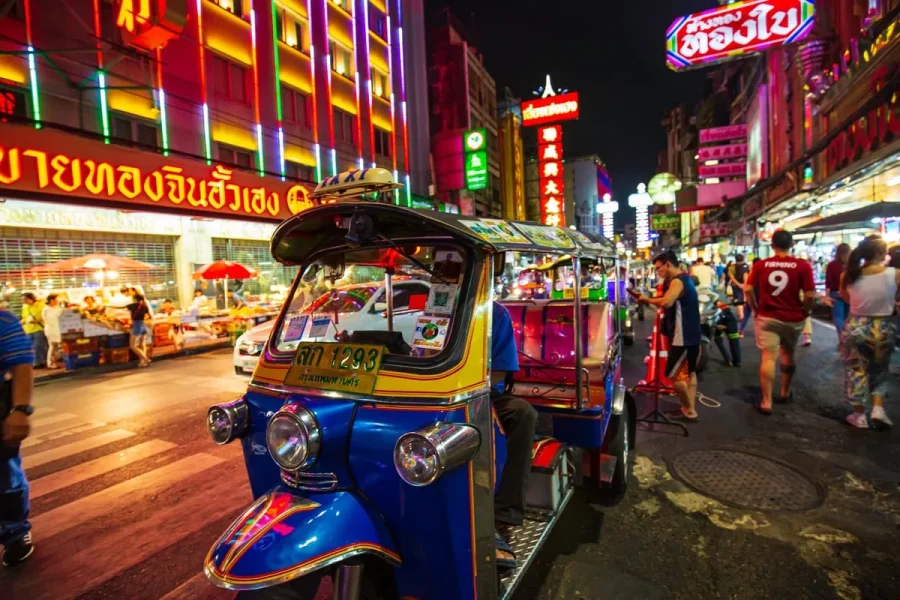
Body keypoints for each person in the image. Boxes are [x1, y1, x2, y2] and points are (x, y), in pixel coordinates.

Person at [746, 230, 815, 415]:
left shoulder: (761, 265)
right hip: (793, 318)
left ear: (772, 246)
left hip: (768, 317)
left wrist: (754, 308)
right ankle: (784, 392)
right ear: (791, 245)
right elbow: (809, 295)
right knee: (788, 353)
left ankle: (767, 401)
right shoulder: (802, 266)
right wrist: (806, 311)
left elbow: (748, 289)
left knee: (768, 357)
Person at [490, 301, 537, 571]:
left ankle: (503, 516)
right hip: (432, 391)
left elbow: (498, 372)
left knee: (523, 414)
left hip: (481, 392)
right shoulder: (431, 306)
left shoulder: (495, 313)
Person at [839, 235, 897, 430]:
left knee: (855, 370)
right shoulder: (894, 274)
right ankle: (878, 409)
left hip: (856, 325)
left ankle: (859, 415)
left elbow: (845, 299)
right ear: (881, 254)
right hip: (884, 327)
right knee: (880, 370)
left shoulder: (849, 274)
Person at [636, 251, 702, 421]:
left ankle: (689, 409)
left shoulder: (678, 281)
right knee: (690, 373)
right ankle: (690, 409)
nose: (658, 272)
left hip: (683, 335)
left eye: (659, 268)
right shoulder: (685, 279)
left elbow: (666, 302)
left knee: (673, 376)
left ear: (668, 264)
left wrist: (647, 300)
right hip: (692, 333)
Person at [1, 309, 36, 566]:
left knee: (5, 478)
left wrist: (20, 409)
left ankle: (15, 533)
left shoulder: (3, 320)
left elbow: (22, 364)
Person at [824, 244, 851, 337]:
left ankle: (842, 337)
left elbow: (828, 282)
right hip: (850, 293)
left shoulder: (832, 265)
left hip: (835, 293)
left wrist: (827, 296)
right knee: (848, 317)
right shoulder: (852, 265)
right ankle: (848, 337)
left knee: (838, 317)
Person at [19, 293, 47, 369]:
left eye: (25, 299)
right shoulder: (25, 307)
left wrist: (36, 320)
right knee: (30, 347)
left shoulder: (40, 305)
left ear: (31, 298)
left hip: (39, 329)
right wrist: (21, 322)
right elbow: (24, 317)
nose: (23, 301)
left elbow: (44, 316)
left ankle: (39, 362)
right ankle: (36, 362)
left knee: (38, 346)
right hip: (29, 329)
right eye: (22, 300)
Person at [712, 301, 742, 367]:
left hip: (720, 317)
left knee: (719, 339)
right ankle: (736, 361)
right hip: (727, 317)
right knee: (734, 341)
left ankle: (729, 360)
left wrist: (715, 325)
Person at [127, 292, 152, 368]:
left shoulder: (133, 305)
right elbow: (148, 315)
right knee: (142, 345)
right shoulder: (144, 306)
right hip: (142, 325)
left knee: (132, 346)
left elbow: (120, 307)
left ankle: (146, 359)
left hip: (137, 325)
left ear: (135, 299)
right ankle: (142, 362)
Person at [41, 294, 63, 370]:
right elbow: (48, 320)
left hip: (57, 330)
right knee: (52, 346)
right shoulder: (46, 309)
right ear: (51, 300)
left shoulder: (57, 308)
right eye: (56, 300)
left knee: (56, 347)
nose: (57, 301)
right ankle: (50, 363)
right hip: (51, 330)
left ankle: (55, 362)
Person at [730, 255, 750, 330]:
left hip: (735, 286)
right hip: (744, 285)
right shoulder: (746, 266)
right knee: (742, 299)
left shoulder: (732, 267)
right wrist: (744, 284)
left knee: (738, 301)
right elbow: (746, 276)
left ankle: (741, 316)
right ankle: (742, 316)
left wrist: (738, 284)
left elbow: (731, 277)